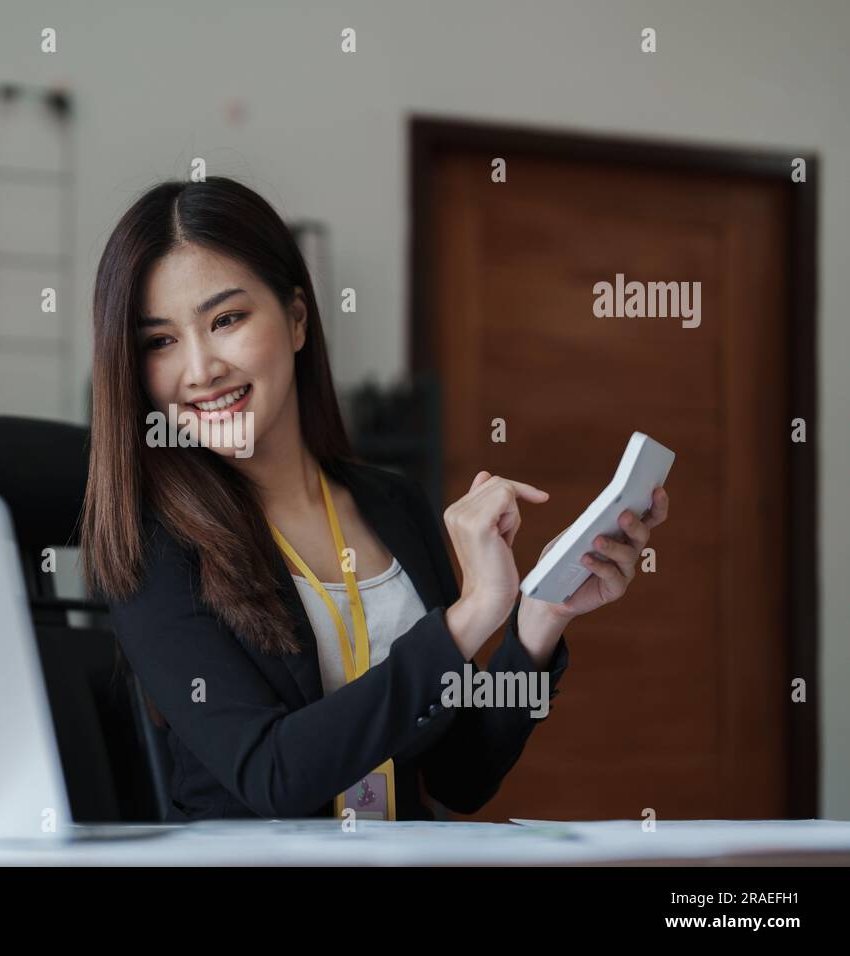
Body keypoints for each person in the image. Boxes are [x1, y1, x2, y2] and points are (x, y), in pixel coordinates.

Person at [79, 176, 669, 822]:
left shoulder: (392, 504)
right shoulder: (153, 545)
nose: (199, 369)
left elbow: (459, 777)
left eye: (226, 319)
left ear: (297, 320)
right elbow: (273, 774)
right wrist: (469, 617)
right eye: (160, 341)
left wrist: (536, 622)